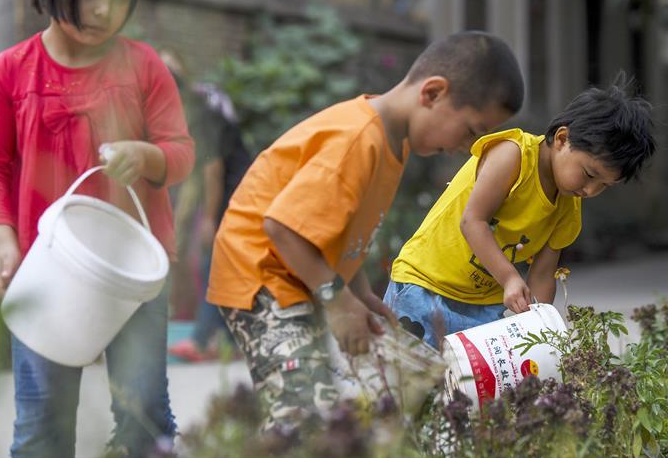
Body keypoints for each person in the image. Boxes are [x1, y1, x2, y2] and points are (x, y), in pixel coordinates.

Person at [206, 31, 524, 428]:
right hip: (261, 274)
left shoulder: (394, 143)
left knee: (324, 404)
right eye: (471, 130)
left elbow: (337, 232)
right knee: (300, 409)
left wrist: (360, 294)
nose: (468, 145)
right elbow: (284, 229)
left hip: (298, 273)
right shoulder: (358, 139)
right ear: (433, 94)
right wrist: (339, 303)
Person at [0, 0, 194, 458]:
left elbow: (181, 152)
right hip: (47, 272)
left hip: (135, 276)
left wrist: (145, 155)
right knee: (42, 426)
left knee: (144, 415)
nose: (106, 11)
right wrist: (3, 241)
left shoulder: (144, 67)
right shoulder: (11, 72)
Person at [384, 77, 657, 349]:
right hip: (423, 287)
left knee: (470, 388)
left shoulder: (567, 206)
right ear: (562, 139)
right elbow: (472, 221)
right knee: (406, 380)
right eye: (589, 174)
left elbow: (542, 276)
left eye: (605, 186)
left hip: (481, 309)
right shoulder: (513, 156)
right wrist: (510, 278)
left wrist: (538, 331)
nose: (591, 190)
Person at [166, 71, 252, 361]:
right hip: (237, 190)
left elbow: (212, 171)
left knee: (211, 265)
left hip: (238, 192)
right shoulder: (200, 109)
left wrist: (209, 220)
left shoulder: (201, 115)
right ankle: (231, 339)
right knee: (220, 264)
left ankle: (202, 340)